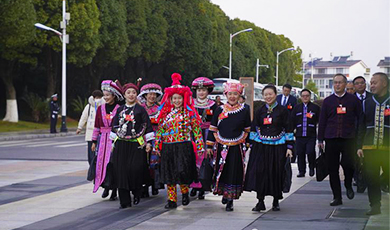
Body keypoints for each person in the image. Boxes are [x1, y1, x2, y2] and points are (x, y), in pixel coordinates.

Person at [155, 73, 205, 209]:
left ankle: (184, 193)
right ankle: (171, 200)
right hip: (168, 147)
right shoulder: (165, 114)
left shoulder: (190, 113)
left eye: (179, 98)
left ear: (184, 99)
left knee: (181, 172)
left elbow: (196, 131)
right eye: (174, 98)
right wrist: (157, 146)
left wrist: (200, 146)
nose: (177, 101)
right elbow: (160, 131)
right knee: (169, 173)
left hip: (183, 146)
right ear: (170, 99)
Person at [245, 84, 294, 212]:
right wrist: (251, 144)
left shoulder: (283, 111)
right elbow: (254, 127)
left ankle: (276, 200)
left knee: (276, 171)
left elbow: (289, 128)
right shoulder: (260, 111)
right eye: (265, 94)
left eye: (270, 94)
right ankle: (260, 201)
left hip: (278, 146)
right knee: (261, 172)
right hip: (262, 146)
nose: (268, 97)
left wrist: (289, 147)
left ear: (275, 95)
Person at [318, 74, 363, 206]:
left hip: (348, 137)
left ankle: (348, 184)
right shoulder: (327, 101)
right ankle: (337, 196)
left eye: (340, 82)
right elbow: (322, 121)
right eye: (335, 82)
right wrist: (320, 139)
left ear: (345, 84)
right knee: (332, 169)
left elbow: (360, 119)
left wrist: (359, 139)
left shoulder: (353, 100)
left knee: (348, 164)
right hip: (331, 137)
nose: (337, 85)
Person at [207, 82, 251, 212]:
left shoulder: (244, 110)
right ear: (226, 95)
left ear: (239, 95)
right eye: (230, 94)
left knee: (233, 171)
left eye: (235, 94)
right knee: (222, 170)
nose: (232, 96)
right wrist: (209, 146)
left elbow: (247, 129)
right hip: (221, 146)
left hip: (237, 147)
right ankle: (223, 193)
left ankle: (230, 199)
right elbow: (213, 127)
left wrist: (247, 143)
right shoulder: (219, 109)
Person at [110, 82, 155, 209]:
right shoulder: (119, 110)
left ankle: (136, 192)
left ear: (137, 95)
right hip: (121, 144)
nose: (131, 95)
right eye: (128, 92)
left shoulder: (141, 110)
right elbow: (114, 127)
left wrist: (149, 143)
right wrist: (112, 144)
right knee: (121, 171)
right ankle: (124, 201)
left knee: (135, 169)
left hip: (137, 144)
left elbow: (148, 127)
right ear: (124, 95)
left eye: (133, 92)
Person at [357, 72, 390, 215]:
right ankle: (375, 206)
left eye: (375, 82)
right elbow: (361, 125)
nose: (372, 85)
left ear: (384, 83)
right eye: (371, 82)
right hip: (370, 147)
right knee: (372, 177)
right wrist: (359, 145)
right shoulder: (367, 102)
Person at [91, 80, 123, 200]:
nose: (106, 97)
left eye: (108, 95)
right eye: (104, 95)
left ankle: (114, 189)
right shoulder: (100, 109)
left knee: (113, 163)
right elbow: (97, 125)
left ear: (114, 95)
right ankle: (105, 186)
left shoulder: (119, 109)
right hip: (103, 139)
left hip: (115, 139)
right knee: (101, 163)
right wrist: (94, 141)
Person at [190, 77, 217, 199]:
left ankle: (202, 186)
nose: (201, 92)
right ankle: (193, 184)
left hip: (208, 134)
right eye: (199, 90)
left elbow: (216, 121)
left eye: (204, 90)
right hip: (194, 134)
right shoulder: (190, 104)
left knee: (206, 160)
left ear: (208, 91)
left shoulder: (214, 105)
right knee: (193, 158)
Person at [138, 83, 164, 197]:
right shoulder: (140, 108)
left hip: (156, 136)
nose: (152, 96)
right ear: (145, 95)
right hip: (141, 137)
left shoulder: (160, 108)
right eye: (149, 94)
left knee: (155, 162)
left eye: (154, 94)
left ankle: (155, 184)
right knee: (142, 161)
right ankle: (144, 186)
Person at [291, 89, 320, 177]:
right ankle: (301, 171)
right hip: (299, 135)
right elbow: (292, 121)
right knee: (300, 153)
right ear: (301, 97)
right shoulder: (297, 108)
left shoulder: (315, 108)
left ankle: (312, 167)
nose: (305, 97)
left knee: (310, 152)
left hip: (310, 135)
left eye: (307, 96)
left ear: (310, 97)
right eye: (303, 96)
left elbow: (320, 120)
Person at [76, 90, 104, 165]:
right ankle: (92, 168)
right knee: (91, 154)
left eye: (100, 97)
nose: (98, 99)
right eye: (97, 97)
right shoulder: (88, 107)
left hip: (101, 133)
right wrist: (80, 127)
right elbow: (84, 117)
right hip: (90, 134)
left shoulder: (103, 106)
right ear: (93, 98)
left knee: (99, 153)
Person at [276, 84, 297, 162]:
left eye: (288, 91)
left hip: (289, 123)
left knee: (290, 139)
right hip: (279, 123)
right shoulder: (277, 98)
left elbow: (294, 112)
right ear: (282, 90)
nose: (286, 92)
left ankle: (292, 156)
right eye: (285, 90)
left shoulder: (293, 100)